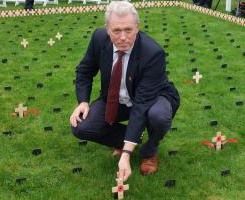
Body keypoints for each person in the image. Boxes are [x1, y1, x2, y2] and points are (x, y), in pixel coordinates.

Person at [70, 1, 180, 182]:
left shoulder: (153, 53)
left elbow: (141, 104)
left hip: (153, 98)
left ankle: (149, 151)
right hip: (116, 98)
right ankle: (124, 139)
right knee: (81, 126)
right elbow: (84, 70)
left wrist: (126, 155)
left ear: (137, 27)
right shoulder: (98, 38)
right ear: (107, 29)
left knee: (158, 116)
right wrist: (83, 101)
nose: (123, 37)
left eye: (128, 30)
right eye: (116, 31)